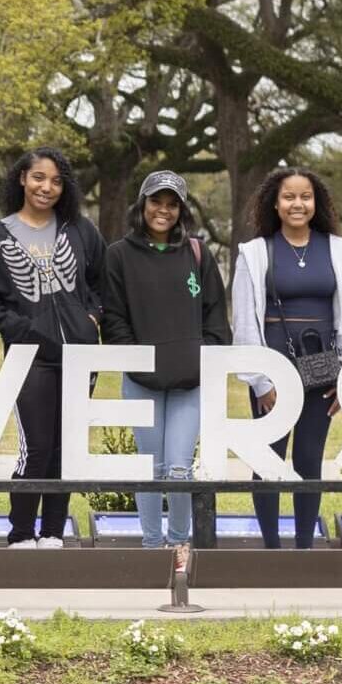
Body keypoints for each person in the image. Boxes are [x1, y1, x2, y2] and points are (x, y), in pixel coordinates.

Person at [0, 147, 103, 549]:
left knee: (67, 449)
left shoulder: (79, 230)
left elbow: (102, 282)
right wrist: (23, 329)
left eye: (57, 181)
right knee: (37, 447)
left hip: (81, 356)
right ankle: (22, 532)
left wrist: (91, 316)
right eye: (39, 177)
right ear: (22, 179)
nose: (48, 187)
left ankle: (53, 532)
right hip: (29, 359)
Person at [232, 167, 342, 549]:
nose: (297, 204)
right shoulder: (256, 252)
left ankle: (305, 546)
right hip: (273, 365)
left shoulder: (340, 248)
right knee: (268, 460)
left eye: (305, 196)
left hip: (322, 365)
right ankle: (272, 548)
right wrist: (260, 381)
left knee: (310, 458)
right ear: (275, 202)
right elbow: (243, 321)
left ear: (316, 202)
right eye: (289, 196)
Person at [98, 171, 229, 549]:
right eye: (157, 201)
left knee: (178, 467)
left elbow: (215, 315)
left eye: (173, 204)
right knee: (150, 467)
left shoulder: (198, 253)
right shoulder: (118, 254)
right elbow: (115, 318)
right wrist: (139, 363)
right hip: (142, 380)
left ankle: (178, 544)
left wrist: (204, 359)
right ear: (142, 204)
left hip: (190, 380)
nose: (164, 210)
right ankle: (152, 544)